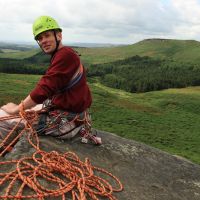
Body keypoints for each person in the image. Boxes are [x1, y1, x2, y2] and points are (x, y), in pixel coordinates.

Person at [0, 16, 92, 142]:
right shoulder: (65, 54)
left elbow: (44, 89)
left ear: (58, 36)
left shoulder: (65, 55)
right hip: (72, 117)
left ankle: (6, 151)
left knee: (2, 117)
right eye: (40, 38)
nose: (43, 41)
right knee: (25, 110)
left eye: (47, 35)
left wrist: (16, 110)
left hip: (66, 123)